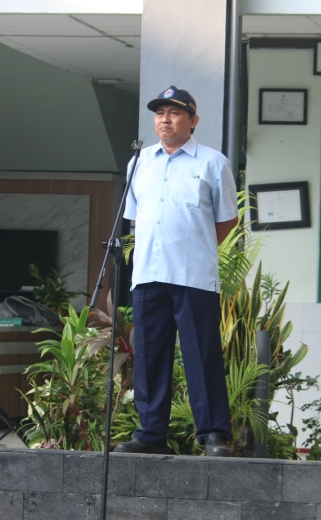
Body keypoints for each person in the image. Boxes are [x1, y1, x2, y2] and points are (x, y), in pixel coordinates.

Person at [113, 85, 238, 457]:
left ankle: (214, 434)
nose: (165, 119)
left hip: (194, 276)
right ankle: (150, 434)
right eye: (159, 113)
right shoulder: (140, 162)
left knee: (202, 354)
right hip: (148, 275)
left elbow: (226, 220)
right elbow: (134, 217)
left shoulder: (213, 163)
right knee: (150, 355)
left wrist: (194, 249)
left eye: (175, 112)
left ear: (193, 120)